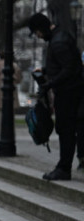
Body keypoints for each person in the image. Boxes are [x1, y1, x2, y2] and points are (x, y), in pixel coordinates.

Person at [27, 12, 84, 181]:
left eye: (37, 32)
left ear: (42, 28)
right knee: (66, 130)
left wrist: (49, 84)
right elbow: (67, 64)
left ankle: (64, 168)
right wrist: (45, 71)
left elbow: (69, 69)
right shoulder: (60, 37)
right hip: (71, 91)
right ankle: (63, 166)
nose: (38, 36)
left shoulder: (58, 43)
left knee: (65, 130)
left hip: (68, 93)